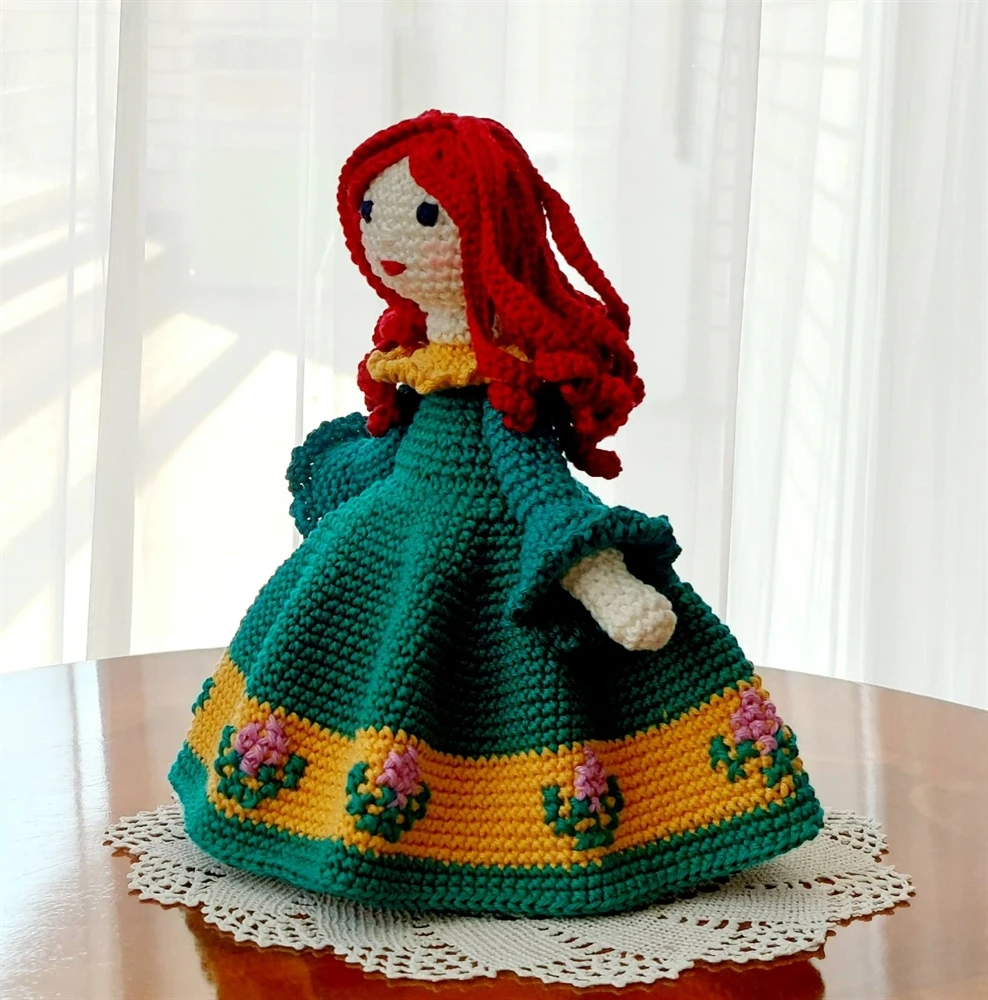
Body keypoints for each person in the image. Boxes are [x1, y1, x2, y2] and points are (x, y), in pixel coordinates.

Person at [170, 111, 823, 916]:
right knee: (337, 665)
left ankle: (493, 837)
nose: (386, 238)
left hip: (489, 556)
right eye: (370, 212)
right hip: (387, 536)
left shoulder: (508, 388)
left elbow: (542, 491)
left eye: (425, 216)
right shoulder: (412, 362)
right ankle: (293, 806)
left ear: (489, 232)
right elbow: (392, 446)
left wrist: (599, 578)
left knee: (494, 692)